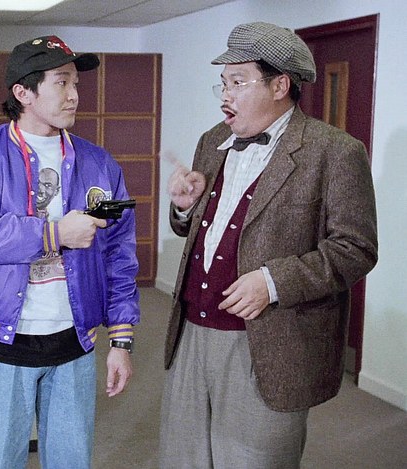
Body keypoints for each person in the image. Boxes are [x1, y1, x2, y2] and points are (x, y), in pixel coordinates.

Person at [160, 22, 378, 468]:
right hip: (191, 331)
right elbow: (200, 231)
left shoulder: (334, 151)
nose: (225, 95)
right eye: (223, 83)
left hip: (270, 340)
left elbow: (356, 248)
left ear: (280, 85)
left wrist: (274, 281)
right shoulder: (212, 142)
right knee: (184, 457)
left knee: (252, 459)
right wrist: (184, 209)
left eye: (238, 82)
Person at [0, 35, 140, 468]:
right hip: (2, 343)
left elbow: (119, 256)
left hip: (74, 344)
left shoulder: (100, 163)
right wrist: (55, 234)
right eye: (61, 82)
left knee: (71, 461)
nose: (74, 95)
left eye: (76, 84)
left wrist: (121, 339)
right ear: (23, 92)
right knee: (0, 462)